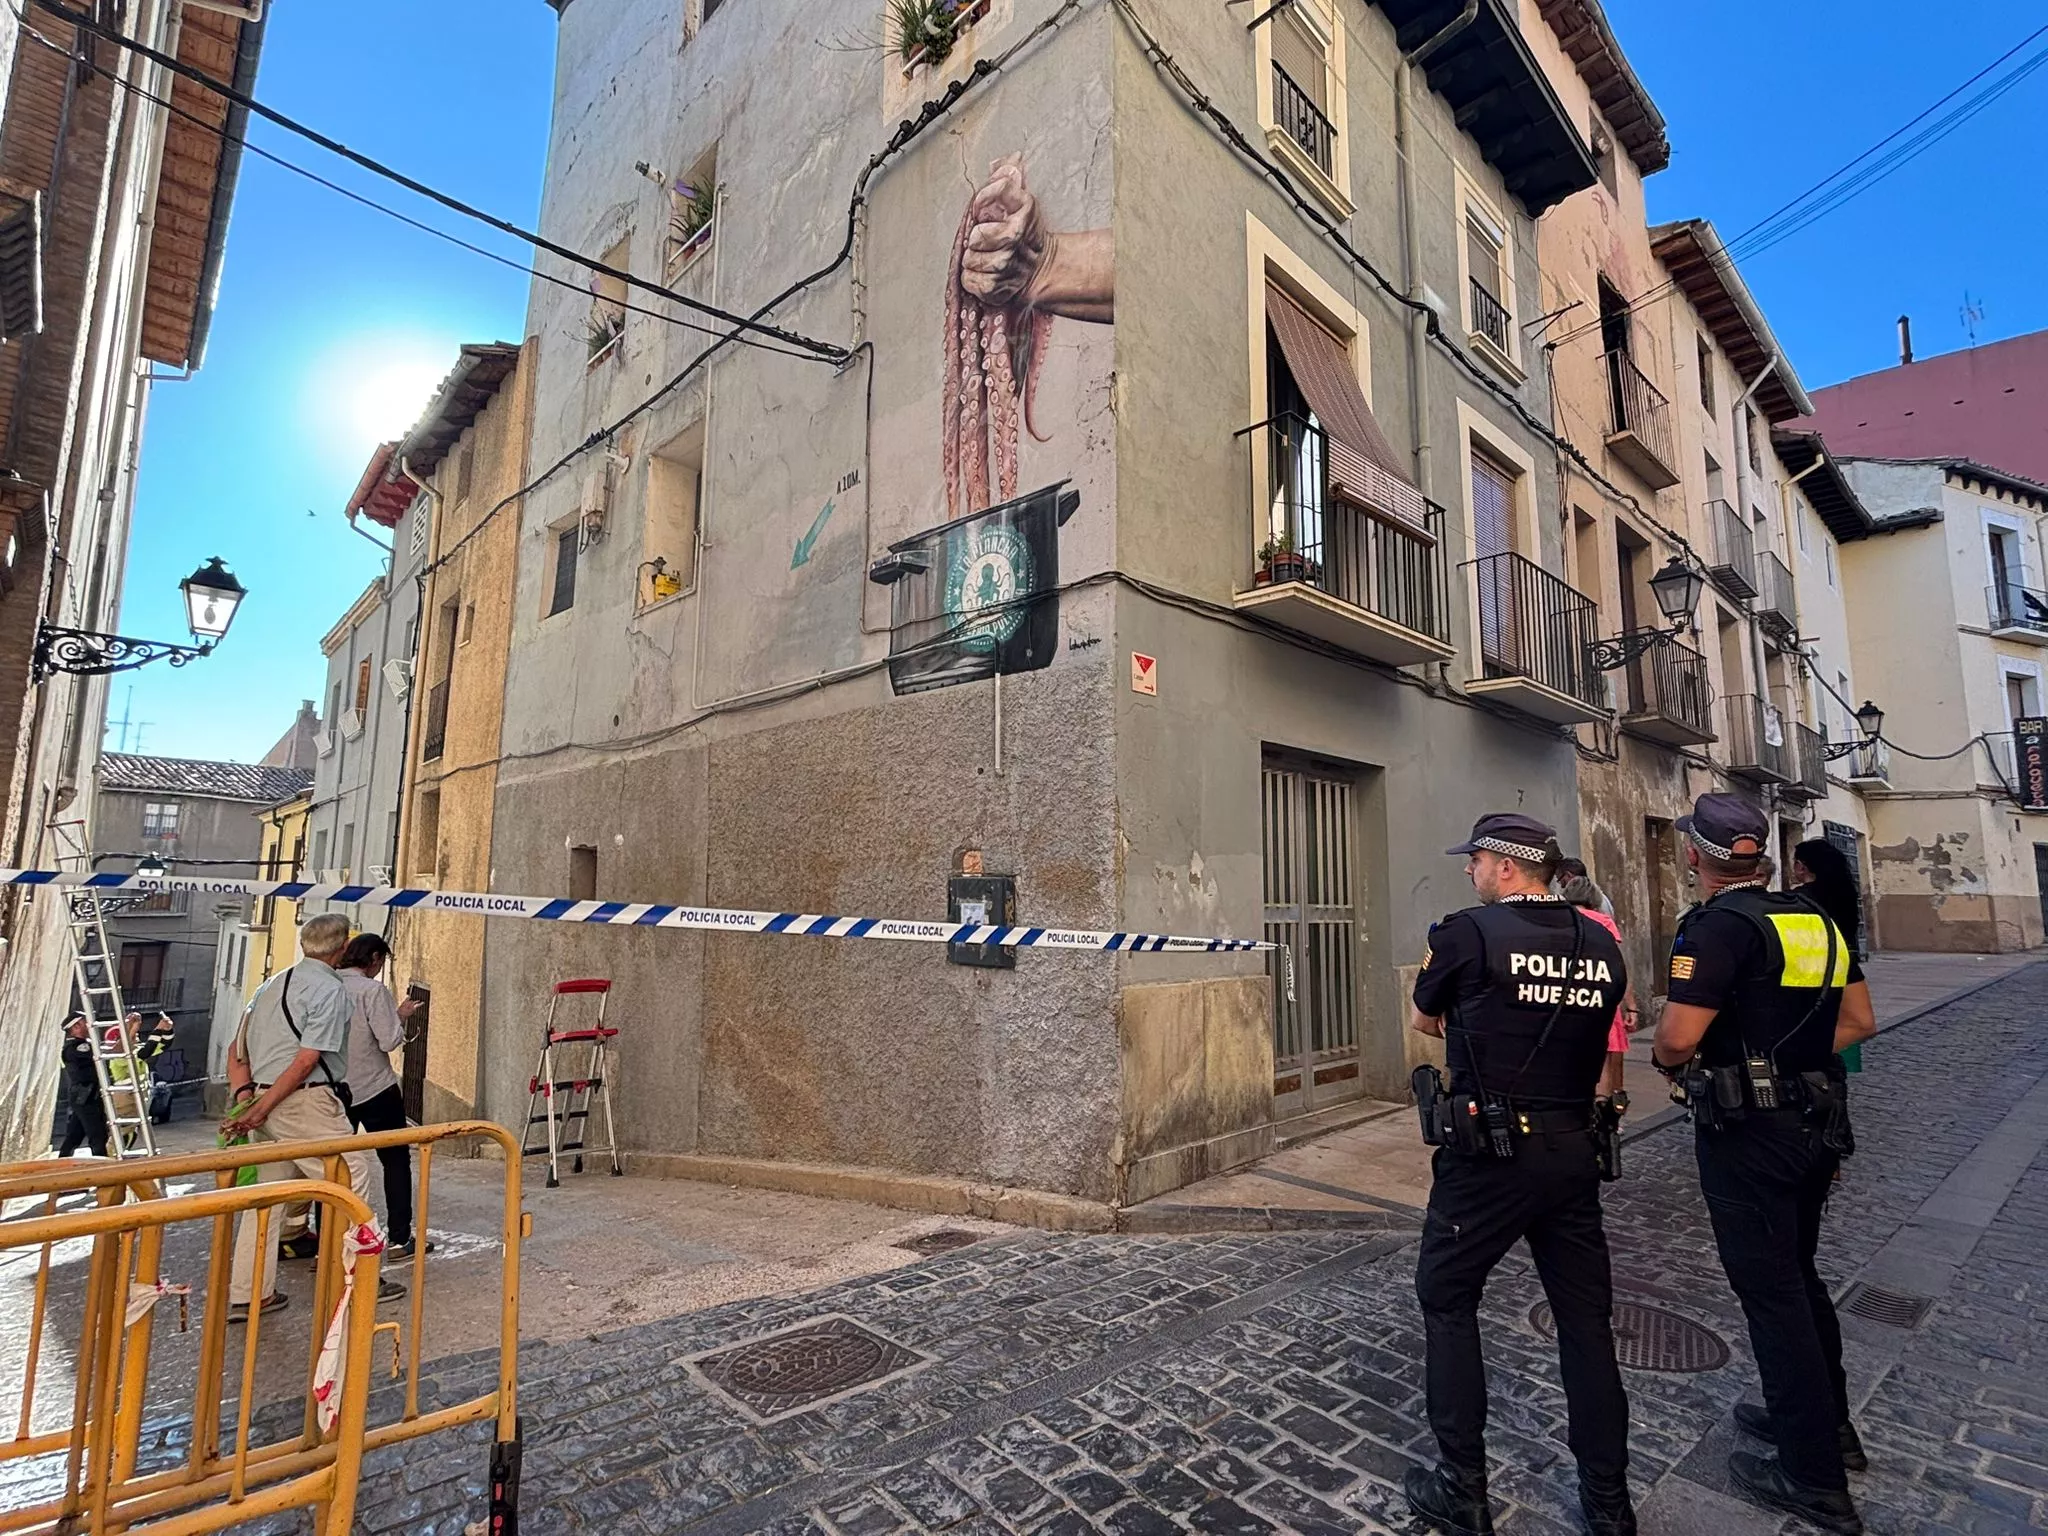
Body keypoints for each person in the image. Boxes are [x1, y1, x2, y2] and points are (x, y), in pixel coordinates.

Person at [1652, 794, 1877, 1536]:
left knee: (1771, 1293)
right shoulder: (1817, 920)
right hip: (1818, 1120)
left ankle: (1811, 1478)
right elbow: (1858, 1022)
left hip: (1749, 1131)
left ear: (1697, 855)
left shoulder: (1717, 927)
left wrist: (1665, 1057)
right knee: (1800, 1277)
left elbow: (1679, 1038)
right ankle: (1826, 1425)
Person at [1408, 814, 1635, 1536]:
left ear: (1506, 867)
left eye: (1474, 860)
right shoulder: (1599, 940)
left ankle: (1463, 1489)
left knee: (1446, 1299)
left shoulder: (1467, 934)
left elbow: (1425, 1020)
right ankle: (1608, 1504)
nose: (1468, 872)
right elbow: (1599, 1026)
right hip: (1572, 1147)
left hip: (1489, 1156)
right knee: (1585, 1323)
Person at [221, 913, 402, 1320]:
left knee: (267, 1199)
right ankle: (357, 1278)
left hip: (264, 1098)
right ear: (340, 950)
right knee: (351, 1179)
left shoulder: (269, 986)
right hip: (304, 1101)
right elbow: (307, 1061)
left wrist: (248, 1099)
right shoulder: (329, 989)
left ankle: (249, 1293)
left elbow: (236, 1049)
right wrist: (262, 1109)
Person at [335, 932, 429, 1259]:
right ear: (374, 959)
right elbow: (388, 1040)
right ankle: (401, 1239)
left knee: (335, 1166)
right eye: (380, 962)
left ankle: (330, 1244)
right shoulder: (373, 990)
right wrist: (399, 1020)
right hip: (375, 1087)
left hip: (335, 1090)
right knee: (394, 1161)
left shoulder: (329, 985)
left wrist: (396, 1013)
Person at [1559, 876, 1640, 1099]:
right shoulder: (1602, 922)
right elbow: (1618, 967)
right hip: (1600, 996)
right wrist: (1631, 1006)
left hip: (1566, 997)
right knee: (1602, 1058)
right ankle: (1603, 1112)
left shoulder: (1558, 922)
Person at [55, 1014, 109, 1157]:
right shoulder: (77, 1046)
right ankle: (103, 1169)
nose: (89, 1024)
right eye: (85, 1022)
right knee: (98, 1134)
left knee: (75, 1135)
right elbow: (98, 1055)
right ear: (76, 1027)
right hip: (86, 1096)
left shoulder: (80, 1045)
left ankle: (62, 1163)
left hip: (85, 1095)